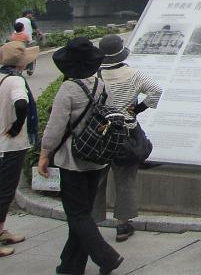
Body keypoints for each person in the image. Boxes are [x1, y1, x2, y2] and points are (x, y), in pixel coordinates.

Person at [38, 37, 124, 275]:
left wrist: (44, 155)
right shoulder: (100, 84)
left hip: (73, 159)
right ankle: (70, 265)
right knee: (82, 214)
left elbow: (55, 128)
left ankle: (107, 257)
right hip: (97, 157)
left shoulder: (68, 89)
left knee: (76, 214)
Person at [92, 34, 162, 242]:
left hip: (101, 133)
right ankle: (123, 224)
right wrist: (138, 108)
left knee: (97, 178)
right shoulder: (133, 74)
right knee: (125, 179)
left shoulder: (96, 76)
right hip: (126, 133)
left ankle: (92, 220)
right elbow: (156, 90)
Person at [0, 41, 39, 258]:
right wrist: (16, 127)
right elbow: (21, 104)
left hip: (2, 145)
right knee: (5, 192)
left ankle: (2, 230)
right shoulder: (15, 80)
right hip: (10, 146)